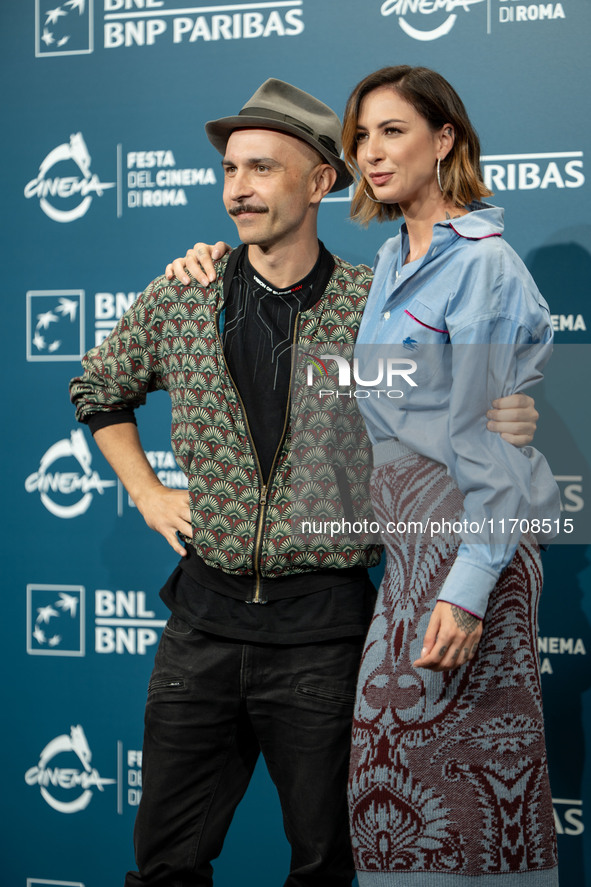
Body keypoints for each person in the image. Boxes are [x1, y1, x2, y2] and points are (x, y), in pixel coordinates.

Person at [70, 78, 540, 887]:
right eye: (228, 170)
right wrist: (148, 493)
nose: (237, 191)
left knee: (326, 865)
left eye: (260, 169)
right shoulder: (183, 291)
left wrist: (519, 417)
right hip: (202, 625)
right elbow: (96, 389)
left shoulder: (375, 298)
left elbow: (464, 414)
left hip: (327, 630)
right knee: (163, 865)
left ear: (321, 181)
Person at [340, 66, 559, 885]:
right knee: (393, 786)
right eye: (360, 135)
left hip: (472, 543)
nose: (370, 151)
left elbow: (486, 441)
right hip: (408, 555)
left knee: (467, 798)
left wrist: (467, 585)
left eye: (392, 130)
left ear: (444, 140)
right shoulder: (393, 260)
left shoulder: (484, 266)